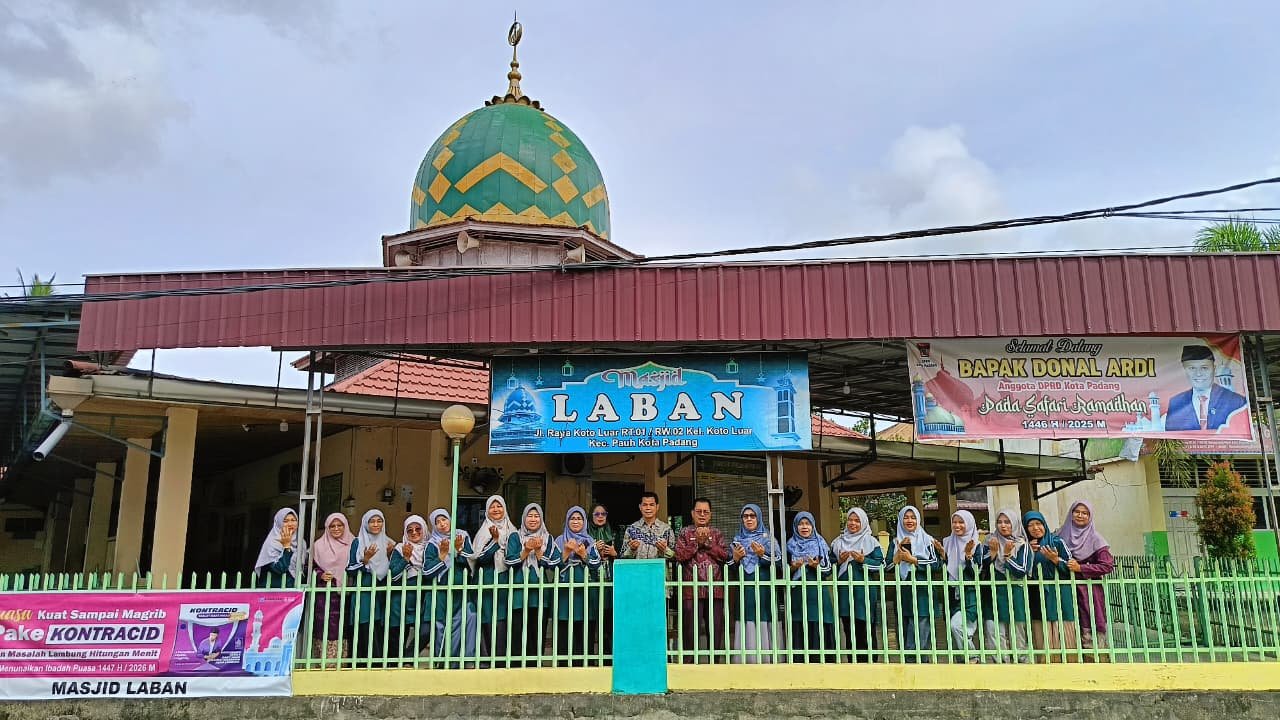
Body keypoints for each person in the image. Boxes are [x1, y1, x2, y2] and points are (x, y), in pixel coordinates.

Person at [505, 503, 562, 667]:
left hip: (540, 594)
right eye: (529, 515)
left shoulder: (547, 538)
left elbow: (556, 562)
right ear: (523, 518)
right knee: (517, 630)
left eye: (536, 516)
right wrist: (525, 550)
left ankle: (534, 665)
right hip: (518, 593)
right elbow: (509, 560)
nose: (533, 519)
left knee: (537, 630)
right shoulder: (515, 537)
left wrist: (537, 552)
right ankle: (516, 666)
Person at [674, 497, 730, 663]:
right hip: (691, 588)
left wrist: (708, 544)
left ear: (710, 514)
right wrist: (696, 543)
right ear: (692, 514)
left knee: (716, 627)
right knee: (690, 629)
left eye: (706, 512)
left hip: (715, 588)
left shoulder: (717, 533)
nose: (702, 515)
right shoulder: (685, 533)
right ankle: (690, 662)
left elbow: (725, 556)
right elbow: (679, 556)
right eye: (699, 511)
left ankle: (715, 662)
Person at [1057, 500, 1115, 660]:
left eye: (1085, 513)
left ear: (1090, 516)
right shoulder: (1061, 535)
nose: (1080, 515)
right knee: (1069, 629)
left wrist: (1081, 568)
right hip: (1067, 590)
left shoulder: (1096, 539)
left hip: (1089, 592)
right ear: (1071, 513)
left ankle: (1096, 663)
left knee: (1091, 629)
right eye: (1077, 512)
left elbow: (1107, 566)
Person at [420, 509, 478, 664]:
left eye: (444, 520)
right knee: (441, 627)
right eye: (437, 522)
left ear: (450, 520)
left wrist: (459, 550)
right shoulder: (432, 544)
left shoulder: (461, 536)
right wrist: (443, 555)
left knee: (470, 618)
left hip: (461, 590)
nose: (442, 524)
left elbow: (471, 561)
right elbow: (427, 571)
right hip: (441, 592)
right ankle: (441, 661)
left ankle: (466, 660)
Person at [728, 503, 782, 664]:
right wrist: (736, 558)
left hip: (764, 585)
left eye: (752, 516)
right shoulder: (737, 540)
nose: (749, 519)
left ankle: (767, 657)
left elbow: (779, 562)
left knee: (764, 615)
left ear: (758, 518)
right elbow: (730, 566)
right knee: (746, 616)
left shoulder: (768, 538)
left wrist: (762, 554)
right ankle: (747, 658)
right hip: (745, 586)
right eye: (746, 516)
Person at [831, 507, 884, 662]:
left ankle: (870, 664)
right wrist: (840, 560)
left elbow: (881, 565)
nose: (852, 523)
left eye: (857, 520)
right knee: (849, 629)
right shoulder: (838, 542)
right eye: (850, 520)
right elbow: (828, 566)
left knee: (866, 628)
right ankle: (854, 663)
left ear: (863, 522)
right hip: (845, 594)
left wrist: (863, 560)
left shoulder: (871, 542)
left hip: (864, 594)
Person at [1024, 509, 1076, 662]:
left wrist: (1055, 560)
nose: (1035, 528)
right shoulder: (1025, 546)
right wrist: (1027, 552)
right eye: (1030, 525)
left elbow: (1071, 567)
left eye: (1038, 524)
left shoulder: (1057, 542)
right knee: (1042, 630)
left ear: (1044, 525)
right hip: (1037, 593)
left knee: (1063, 628)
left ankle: (1068, 664)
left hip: (1059, 591)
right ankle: (1046, 664)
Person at [890, 505, 940, 663]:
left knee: (920, 624)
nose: (909, 520)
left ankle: (917, 661)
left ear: (918, 520)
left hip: (922, 589)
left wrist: (913, 560)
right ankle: (908, 660)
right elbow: (887, 566)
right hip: (904, 589)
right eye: (906, 517)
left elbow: (936, 564)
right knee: (905, 624)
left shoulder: (927, 540)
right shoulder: (896, 541)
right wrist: (898, 556)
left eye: (913, 517)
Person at [346, 509, 396, 665]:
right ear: (365, 524)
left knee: (380, 629)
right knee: (365, 628)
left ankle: (379, 664)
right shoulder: (358, 542)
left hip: (382, 592)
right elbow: (350, 569)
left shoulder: (389, 543)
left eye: (379, 521)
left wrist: (389, 555)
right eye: (372, 521)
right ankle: (362, 665)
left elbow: (393, 569)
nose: (376, 524)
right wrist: (365, 560)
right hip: (364, 593)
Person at [470, 495, 516, 665]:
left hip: (503, 578)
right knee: (486, 618)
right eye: (492, 507)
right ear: (487, 510)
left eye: (499, 506)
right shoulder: (483, 532)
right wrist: (495, 542)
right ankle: (485, 658)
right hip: (486, 579)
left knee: (501, 619)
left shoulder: (512, 531)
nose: (496, 510)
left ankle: (501, 659)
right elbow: (479, 557)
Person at [554, 505, 602, 666]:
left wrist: (583, 554)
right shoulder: (559, 541)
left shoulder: (590, 541)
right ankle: (563, 665)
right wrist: (566, 552)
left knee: (585, 626)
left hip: (585, 592)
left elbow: (596, 564)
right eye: (572, 518)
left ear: (584, 522)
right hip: (565, 592)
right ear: (567, 521)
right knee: (564, 627)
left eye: (579, 518)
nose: (576, 521)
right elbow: (552, 564)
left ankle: (585, 664)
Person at [982, 508, 1032, 663]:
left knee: (1017, 628)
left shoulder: (1022, 545)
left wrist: (1007, 556)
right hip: (994, 591)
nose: (1003, 526)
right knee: (994, 628)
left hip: (1015, 591)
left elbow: (1021, 571)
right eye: (999, 522)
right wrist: (992, 553)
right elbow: (981, 567)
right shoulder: (990, 541)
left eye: (1007, 522)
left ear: (1015, 524)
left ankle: (1020, 660)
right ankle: (1001, 662)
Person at [786, 511, 835, 663]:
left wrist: (816, 566)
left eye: (807, 524)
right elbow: (782, 573)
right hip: (799, 595)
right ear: (795, 526)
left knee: (819, 623)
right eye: (801, 524)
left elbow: (828, 570)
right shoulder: (789, 545)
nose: (804, 527)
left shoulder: (821, 544)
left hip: (818, 593)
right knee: (800, 625)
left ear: (813, 526)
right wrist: (793, 567)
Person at [1165, 344, 1247, 431]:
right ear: (1184, 371)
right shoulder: (1176, 402)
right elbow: (1171, 437)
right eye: (1192, 368)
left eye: (1204, 368)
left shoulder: (1236, 401)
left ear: (1214, 369)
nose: (1198, 374)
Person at [942, 509, 987, 663]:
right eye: (954, 522)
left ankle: (973, 656)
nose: (957, 525)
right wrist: (942, 557)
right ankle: (964, 661)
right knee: (959, 629)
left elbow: (977, 572)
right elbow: (942, 568)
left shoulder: (977, 545)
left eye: (961, 522)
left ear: (968, 524)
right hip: (952, 594)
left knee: (958, 626)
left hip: (970, 594)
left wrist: (968, 556)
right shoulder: (947, 542)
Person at [310, 512, 354, 664]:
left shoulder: (353, 543)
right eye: (332, 526)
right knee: (324, 627)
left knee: (345, 627)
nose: (336, 528)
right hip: (325, 595)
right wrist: (320, 575)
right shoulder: (318, 546)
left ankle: (342, 662)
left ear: (345, 526)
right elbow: (309, 568)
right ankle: (323, 661)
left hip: (347, 594)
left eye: (339, 525)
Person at [389, 514, 430, 660]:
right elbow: (392, 575)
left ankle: (408, 658)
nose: (414, 533)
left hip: (423, 598)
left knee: (426, 631)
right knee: (397, 636)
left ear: (424, 530)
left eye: (418, 529)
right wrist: (406, 559)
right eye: (410, 530)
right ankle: (395, 665)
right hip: (401, 600)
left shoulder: (430, 548)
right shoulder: (400, 549)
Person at [587, 503, 619, 659]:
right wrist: (593, 549)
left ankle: (608, 658)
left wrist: (614, 553)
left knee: (609, 622)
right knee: (591, 621)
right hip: (592, 582)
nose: (600, 517)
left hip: (609, 582)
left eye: (603, 514)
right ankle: (591, 658)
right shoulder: (585, 534)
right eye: (596, 514)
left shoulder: (613, 533)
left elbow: (624, 557)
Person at [255, 507, 305, 588]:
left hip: (294, 590)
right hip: (273, 592)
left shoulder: (301, 542)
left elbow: (302, 568)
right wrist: (287, 547)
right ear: (278, 523)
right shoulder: (272, 542)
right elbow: (279, 569)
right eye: (285, 521)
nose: (290, 524)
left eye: (293, 520)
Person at [621, 491, 676, 561]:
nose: (648, 508)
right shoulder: (631, 529)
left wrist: (665, 550)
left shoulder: (666, 529)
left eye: (651, 505)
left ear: (657, 507)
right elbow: (622, 558)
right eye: (645, 505)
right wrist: (631, 549)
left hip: (659, 570)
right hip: (638, 570)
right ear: (640, 507)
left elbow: (675, 557)